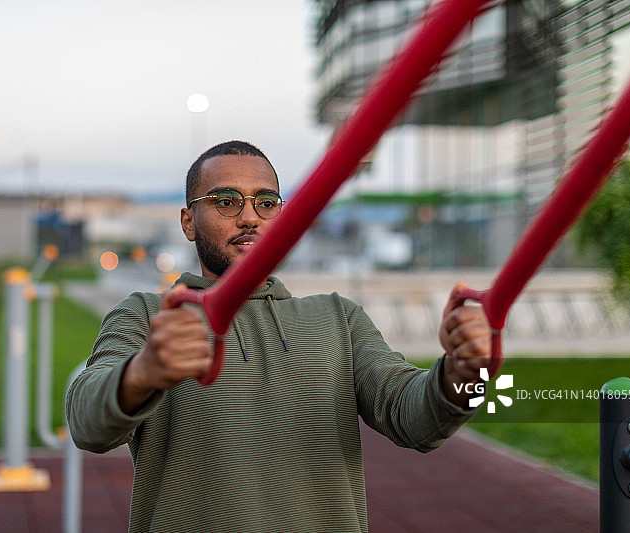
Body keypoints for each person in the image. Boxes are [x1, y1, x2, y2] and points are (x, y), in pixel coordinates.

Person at [66, 140, 492, 533]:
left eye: (266, 203)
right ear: (188, 221)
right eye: (226, 201)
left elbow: (415, 420)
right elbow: (87, 425)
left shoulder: (339, 318)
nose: (249, 217)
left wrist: (462, 375)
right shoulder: (148, 315)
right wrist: (142, 372)